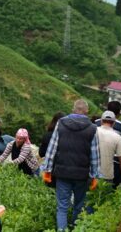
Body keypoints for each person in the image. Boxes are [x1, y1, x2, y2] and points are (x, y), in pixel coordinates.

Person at [42, 99, 100, 231]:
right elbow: (95, 155)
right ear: (87, 112)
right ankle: (75, 228)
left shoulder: (61, 123)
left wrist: (48, 170)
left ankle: (62, 230)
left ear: (73, 109)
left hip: (62, 172)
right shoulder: (92, 128)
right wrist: (94, 175)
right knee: (79, 205)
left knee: (62, 206)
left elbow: (52, 148)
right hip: (82, 175)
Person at [94, 101, 121, 189]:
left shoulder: (95, 123)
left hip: (94, 163)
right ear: (118, 113)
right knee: (110, 189)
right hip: (114, 165)